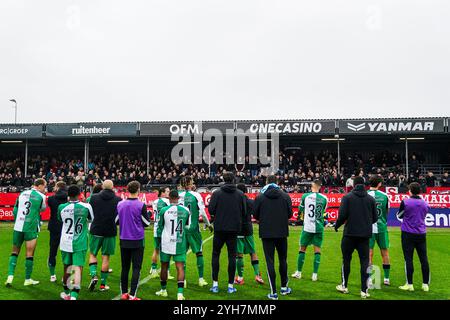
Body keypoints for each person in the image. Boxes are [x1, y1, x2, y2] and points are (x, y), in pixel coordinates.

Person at [335, 176, 378, 299]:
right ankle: (364, 291)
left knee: (346, 260)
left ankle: (344, 286)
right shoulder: (370, 199)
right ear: (364, 184)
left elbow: (342, 215)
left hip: (349, 234)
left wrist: (337, 226)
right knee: (365, 261)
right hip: (364, 235)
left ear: (353, 184)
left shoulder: (347, 197)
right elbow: (375, 218)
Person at [253, 175, 293, 300]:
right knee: (283, 259)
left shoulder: (260, 197)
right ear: (277, 182)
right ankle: (284, 288)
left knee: (270, 261)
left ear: (266, 182)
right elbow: (290, 214)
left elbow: (255, 215)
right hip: (281, 232)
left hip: (267, 233)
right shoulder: (285, 196)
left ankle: (273, 292)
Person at [208, 172, 246, 294]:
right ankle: (230, 285)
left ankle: (215, 284)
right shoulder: (240, 194)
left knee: (215, 254)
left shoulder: (217, 193)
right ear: (234, 179)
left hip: (219, 228)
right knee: (232, 256)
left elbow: (211, 210)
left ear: (223, 179)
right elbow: (245, 212)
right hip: (233, 229)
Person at [5, 178, 47, 287]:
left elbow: (15, 210)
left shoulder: (22, 193)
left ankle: (10, 277)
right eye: (44, 186)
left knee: (14, 252)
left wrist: (18, 220)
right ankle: (27, 279)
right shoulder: (41, 196)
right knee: (29, 254)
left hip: (18, 226)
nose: (45, 189)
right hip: (31, 227)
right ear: (40, 185)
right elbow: (42, 209)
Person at [58, 185, 94, 300]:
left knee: (67, 267)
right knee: (77, 267)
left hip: (65, 241)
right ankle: (74, 296)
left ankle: (67, 292)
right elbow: (91, 219)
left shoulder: (61, 207)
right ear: (79, 194)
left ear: (68, 195)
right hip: (80, 241)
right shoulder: (86, 206)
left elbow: (60, 219)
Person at [116, 181, 150, 300]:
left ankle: (124, 293)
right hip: (137, 239)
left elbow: (116, 221)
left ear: (127, 190)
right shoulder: (141, 205)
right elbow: (146, 223)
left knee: (125, 267)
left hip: (124, 239)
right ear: (139, 190)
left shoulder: (120, 204)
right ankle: (132, 295)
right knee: (136, 268)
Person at [178, 176, 213, 287]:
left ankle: (183, 280)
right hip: (193, 228)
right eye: (192, 182)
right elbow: (202, 212)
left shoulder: (178, 195)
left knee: (182, 255)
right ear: (188, 183)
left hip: (181, 229)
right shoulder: (196, 195)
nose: (193, 183)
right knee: (199, 252)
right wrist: (208, 225)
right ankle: (201, 279)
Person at [155, 190, 190, 300]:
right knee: (180, 267)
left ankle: (163, 290)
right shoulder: (186, 210)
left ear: (169, 197)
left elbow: (160, 227)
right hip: (179, 242)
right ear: (178, 198)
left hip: (166, 242)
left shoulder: (164, 210)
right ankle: (180, 294)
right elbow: (187, 226)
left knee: (164, 266)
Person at [87, 180, 121, 292]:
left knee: (92, 254)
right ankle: (103, 285)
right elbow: (118, 218)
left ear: (102, 186)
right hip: (110, 231)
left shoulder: (93, 198)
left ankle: (93, 275)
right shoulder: (118, 199)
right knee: (106, 257)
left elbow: (89, 214)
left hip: (96, 229)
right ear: (112, 187)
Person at [397, 182, 431, 292]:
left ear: (410, 190)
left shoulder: (405, 202)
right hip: (421, 233)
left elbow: (400, 215)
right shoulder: (425, 203)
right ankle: (425, 284)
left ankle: (410, 284)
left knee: (408, 259)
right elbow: (425, 214)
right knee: (424, 259)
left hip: (408, 233)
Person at [292, 179, 327, 282]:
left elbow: (300, 210)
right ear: (320, 187)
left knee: (302, 249)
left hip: (307, 227)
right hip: (319, 227)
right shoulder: (324, 198)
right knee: (317, 251)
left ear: (312, 185)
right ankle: (314, 275)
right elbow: (323, 212)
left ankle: (299, 272)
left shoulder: (305, 196)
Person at [234, 183, 264, 285]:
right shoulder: (251, 202)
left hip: (238, 229)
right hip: (248, 229)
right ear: (246, 191)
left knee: (239, 254)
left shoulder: (235, 202)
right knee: (253, 252)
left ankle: (240, 278)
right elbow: (256, 215)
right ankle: (258, 275)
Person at [367, 176, 391, 288]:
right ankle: (386, 278)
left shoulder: (365, 195)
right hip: (381, 227)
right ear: (379, 184)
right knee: (385, 252)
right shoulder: (385, 196)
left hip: (368, 228)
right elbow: (387, 211)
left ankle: (369, 279)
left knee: (369, 254)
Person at [47, 181, 68, 282]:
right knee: (67, 253)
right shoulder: (69, 198)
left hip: (54, 228)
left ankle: (52, 275)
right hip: (66, 228)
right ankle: (66, 275)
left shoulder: (51, 199)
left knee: (52, 251)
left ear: (58, 187)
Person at [149, 186, 171, 278]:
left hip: (156, 227)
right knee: (167, 251)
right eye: (167, 191)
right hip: (164, 228)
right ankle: (167, 272)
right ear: (162, 192)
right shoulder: (166, 202)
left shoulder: (155, 202)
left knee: (156, 250)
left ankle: (153, 269)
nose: (168, 193)